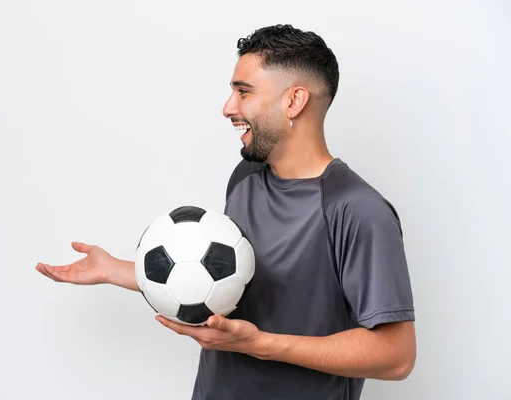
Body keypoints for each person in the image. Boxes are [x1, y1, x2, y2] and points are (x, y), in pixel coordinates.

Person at [36, 24, 416, 400]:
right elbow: (227, 279)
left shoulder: (356, 209)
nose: (228, 108)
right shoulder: (246, 176)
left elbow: (396, 356)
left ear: (294, 101)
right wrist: (119, 269)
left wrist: (262, 344)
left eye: (243, 92)